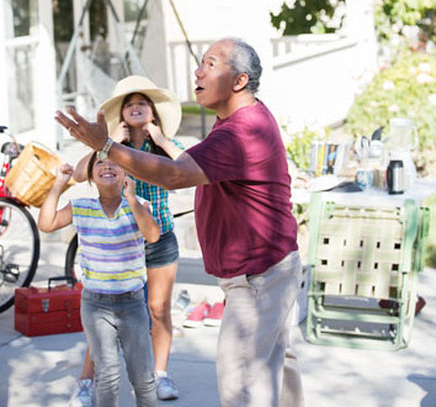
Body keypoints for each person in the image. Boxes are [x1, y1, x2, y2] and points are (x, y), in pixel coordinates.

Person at [56, 37, 304, 407]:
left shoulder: (241, 130)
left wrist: (105, 147)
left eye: (211, 64)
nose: (198, 71)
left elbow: (173, 175)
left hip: (259, 280)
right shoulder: (240, 120)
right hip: (274, 269)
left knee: (244, 390)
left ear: (238, 81)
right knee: (278, 376)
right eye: (200, 62)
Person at [70, 75, 183, 405]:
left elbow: (190, 168)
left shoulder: (164, 143)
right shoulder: (110, 149)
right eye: (130, 104)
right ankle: (87, 382)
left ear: (153, 112)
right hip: (117, 240)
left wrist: (161, 139)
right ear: (121, 114)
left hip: (157, 236)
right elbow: (79, 174)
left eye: (143, 103)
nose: (136, 107)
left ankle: (159, 375)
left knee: (158, 309)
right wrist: (105, 143)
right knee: (105, 311)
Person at [38, 155, 160, 407]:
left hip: (133, 304)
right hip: (95, 305)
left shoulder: (140, 205)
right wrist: (59, 185)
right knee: (107, 375)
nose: (106, 166)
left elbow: (153, 235)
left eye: (114, 162)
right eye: (100, 163)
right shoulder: (80, 206)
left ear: (127, 174)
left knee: (143, 378)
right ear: (92, 176)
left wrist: (131, 200)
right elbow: (46, 223)